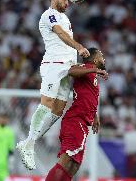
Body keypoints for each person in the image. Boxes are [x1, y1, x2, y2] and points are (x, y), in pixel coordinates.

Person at [16, 0, 90, 170]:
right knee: (47, 103)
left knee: (57, 110)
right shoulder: (48, 15)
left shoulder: (65, 17)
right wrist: (79, 47)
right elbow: (60, 34)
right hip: (53, 66)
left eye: (68, 0)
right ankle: (29, 144)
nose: (67, 3)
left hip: (67, 67)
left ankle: (28, 143)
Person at [45, 48, 108, 181]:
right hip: (75, 120)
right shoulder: (86, 68)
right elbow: (71, 71)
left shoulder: (91, 75)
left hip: (83, 123)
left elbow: (88, 97)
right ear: (95, 60)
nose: (104, 59)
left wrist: (95, 115)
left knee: (74, 166)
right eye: (101, 56)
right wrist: (94, 69)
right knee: (66, 160)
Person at [0, 113, 15, 181]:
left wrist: (11, 160)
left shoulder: (9, 132)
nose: (3, 120)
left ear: (7, 120)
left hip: (3, 162)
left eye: (5, 119)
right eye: (1, 118)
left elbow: (11, 148)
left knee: (3, 179)